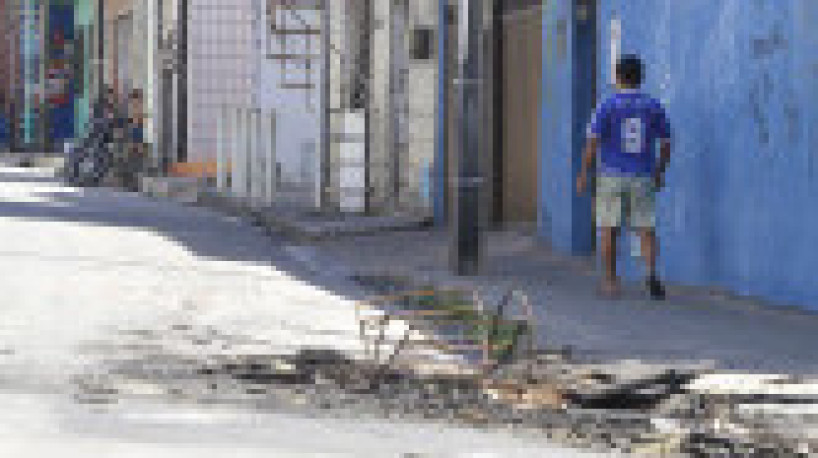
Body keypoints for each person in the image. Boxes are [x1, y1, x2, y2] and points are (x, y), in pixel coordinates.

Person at [576, 54, 672, 300]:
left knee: (609, 228)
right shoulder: (653, 106)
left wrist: (584, 172)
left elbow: (592, 142)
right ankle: (650, 273)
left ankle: (610, 281)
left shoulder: (606, 105)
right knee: (646, 228)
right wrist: (660, 171)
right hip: (643, 174)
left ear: (618, 77)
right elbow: (666, 143)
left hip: (611, 175)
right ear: (641, 77)